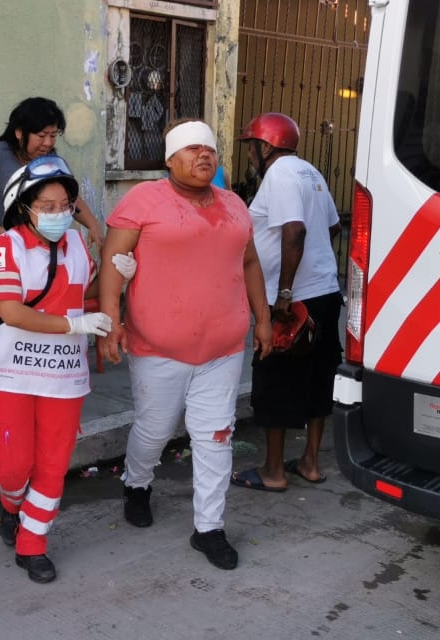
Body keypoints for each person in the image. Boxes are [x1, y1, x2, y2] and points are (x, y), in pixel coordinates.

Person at [97, 119, 274, 571]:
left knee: (216, 436)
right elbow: (113, 265)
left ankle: (209, 528)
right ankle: (137, 484)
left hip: (224, 348)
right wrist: (111, 323)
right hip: (158, 349)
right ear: (170, 160)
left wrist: (264, 318)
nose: (204, 156)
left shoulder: (235, 205)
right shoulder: (143, 201)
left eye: (209, 149)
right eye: (192, 149)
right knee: (155, 430)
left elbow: (250, 261)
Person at [0, 154, 113, 584]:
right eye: (47, 206)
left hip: (63, 374)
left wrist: (119, 274)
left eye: (66, 206)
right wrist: (73, 325)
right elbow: (13, 313)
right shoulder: (4, 248)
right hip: (12, 373)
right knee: (12, 467)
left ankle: (32, 544)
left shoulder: (76, 244)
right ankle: (11, 504)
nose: (60, 214)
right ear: (24, 207)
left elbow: (82, 292)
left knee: (53, 464)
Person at [231, 113, 342, 492]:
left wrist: (284, 293)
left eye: (251, 147)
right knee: (318, 377)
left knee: (273, 377)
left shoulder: (278, 175)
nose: (249, 155)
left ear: (265, 147)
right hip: (326, 291)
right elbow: (332, 226)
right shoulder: (309, 172)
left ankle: (274, 471)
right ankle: (310, 463)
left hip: (293, 302)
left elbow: (295, 229)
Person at [0, 98, 104, 378]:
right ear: (20, 132)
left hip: (40, 253)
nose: (48, 143)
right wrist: (1, 234)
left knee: (38, 303)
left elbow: (70, 198)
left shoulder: (53, 161)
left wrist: (92, 224)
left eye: (53, 135)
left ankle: (32, 365)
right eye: (41, 135)